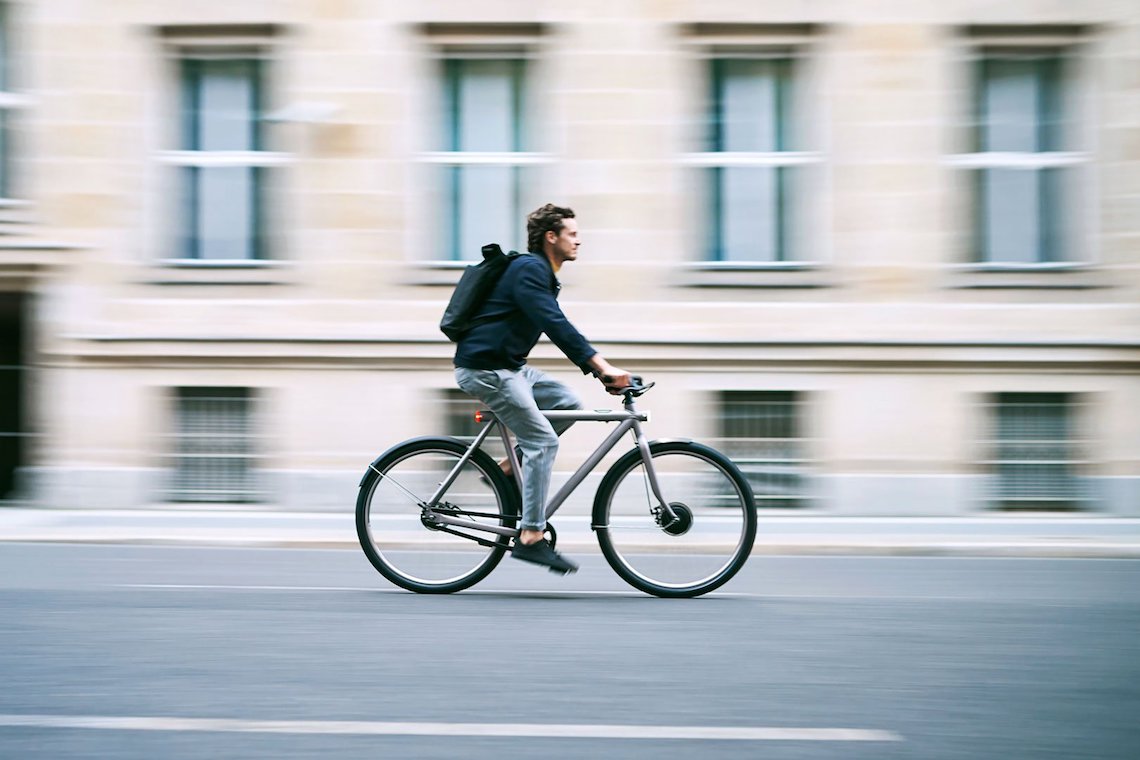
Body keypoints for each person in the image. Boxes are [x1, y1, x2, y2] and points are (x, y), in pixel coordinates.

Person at [454, 203, 632, 574]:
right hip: (488, 370)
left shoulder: (539, 273)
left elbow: (552, 321)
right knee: (543, 442)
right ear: (551, 237)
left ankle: (505, 470)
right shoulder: (531, 270)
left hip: (510, 368)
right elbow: (553, 322)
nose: (578, 239)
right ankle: (531, 537)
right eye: (572, 233)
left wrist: (597, 370)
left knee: (566, 402)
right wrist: (601, 367)